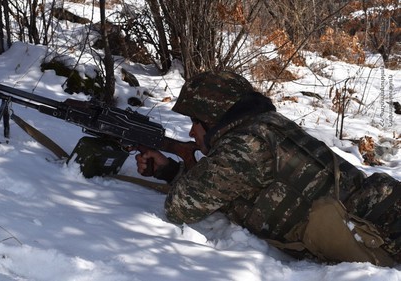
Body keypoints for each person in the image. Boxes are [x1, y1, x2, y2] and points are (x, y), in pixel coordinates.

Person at [135, 71, 401, 266]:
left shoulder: (244, 146)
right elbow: (227, 184)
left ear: (213, 118)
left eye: (196, 121)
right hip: (381, 204)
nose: (192, 131)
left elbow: (180, 207)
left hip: (381, 227)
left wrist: (172, 174)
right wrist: (169, 170)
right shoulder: (269, 123)